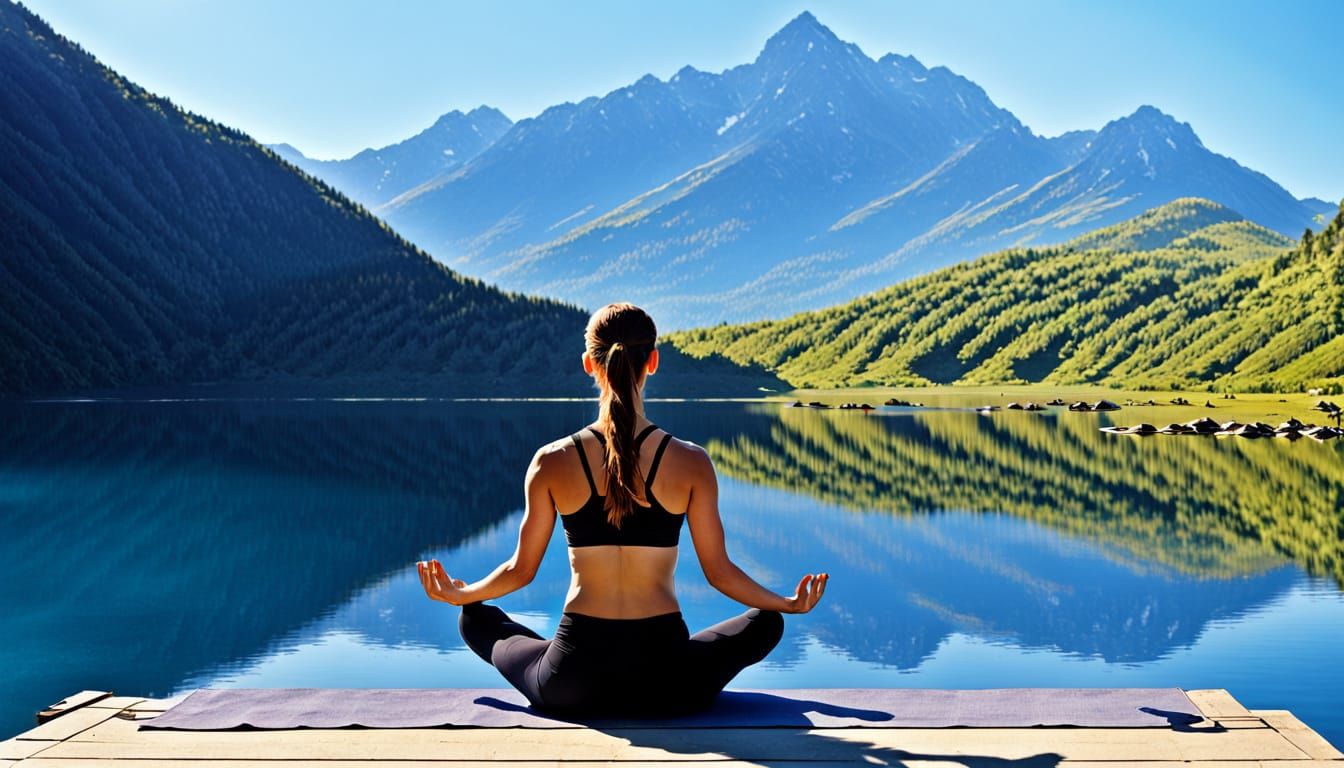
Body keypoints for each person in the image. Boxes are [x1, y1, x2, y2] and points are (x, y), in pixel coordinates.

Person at [416, 302, 828, 716]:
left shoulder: (550, 460)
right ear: (653, 362)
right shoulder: (691, 462)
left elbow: (521, 571)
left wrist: (461, 593)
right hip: (667, 682)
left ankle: (520, 638)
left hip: (572, 681)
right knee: (768, 621)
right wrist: (785, 602)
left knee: (475, 618)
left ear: (588, 365)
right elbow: (719, 573)